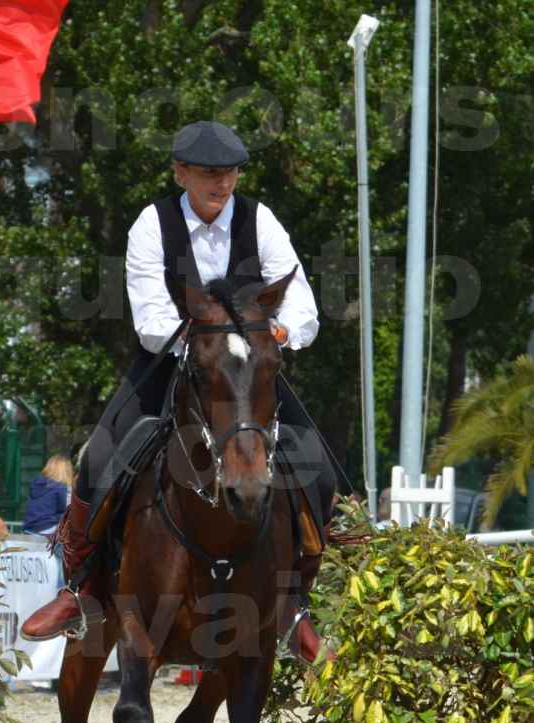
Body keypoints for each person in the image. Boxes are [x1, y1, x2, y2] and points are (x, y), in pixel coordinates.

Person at [21, 121, 337, 664]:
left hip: (244, 369)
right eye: (210, 173)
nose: (223, 183)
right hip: (171, 361)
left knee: (319, 464)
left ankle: (299, 605)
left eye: (231, 172)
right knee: (99, 456)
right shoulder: (152, 223)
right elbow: (149, 315)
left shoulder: (260, 219)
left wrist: (281, 333)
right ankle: (80, 590)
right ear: (181, 173)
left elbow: (299, 297)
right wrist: (202, 344)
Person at [23, 455, 73, 535]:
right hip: (47, 528)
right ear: (66, 471)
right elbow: (66, 509)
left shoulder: (36, 484)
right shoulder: (61, 488)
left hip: (29, 527)